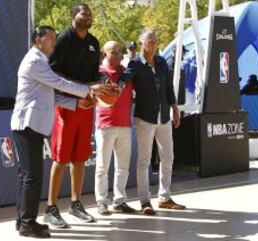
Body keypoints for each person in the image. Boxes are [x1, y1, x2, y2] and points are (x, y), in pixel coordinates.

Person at [11, 26, 108, 238]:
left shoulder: (41, 61)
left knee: (27, 176)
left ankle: (23, 221)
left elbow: (51, 95)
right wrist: (89, 90)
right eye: (51, 38)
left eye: (55, 37)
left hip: (30, 125)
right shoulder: (35, 60)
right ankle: (27, 222)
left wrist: (76, 103)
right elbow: (58, 83)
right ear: (38, 40)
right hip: (28, 124)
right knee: (32, 177)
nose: (54, 42)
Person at [43, 3, 101, 228]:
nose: (87, 15)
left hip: (87, 106)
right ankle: (51, 207)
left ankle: (76, 204)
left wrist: (103, 87)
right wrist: (80, 91)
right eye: (82, 12)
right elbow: (54, 74)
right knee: (61, 158)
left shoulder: (94, 42)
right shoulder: (63, 40)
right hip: (66, 106)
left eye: (89, 13)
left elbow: (95, 76)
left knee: (80, 157)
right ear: (72, 16)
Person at [117, 28, 186, 215]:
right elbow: (124, 79)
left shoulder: (162, 62)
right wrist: (115, 88)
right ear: (141, 44)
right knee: (144, 161)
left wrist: (175, 108)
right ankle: (145, 201)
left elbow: (168, 87)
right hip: (145, 119)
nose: (153, 44)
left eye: (155, 40)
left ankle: (164, 197)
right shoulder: (136, 64)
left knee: (168, 158)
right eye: (150, 41)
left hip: (164, 117)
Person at [94, 41, 136, 215]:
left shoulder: (126, 72)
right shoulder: (99, 72)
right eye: (113, 52)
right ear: (105, 54)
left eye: (119, 52)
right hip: (106, 125)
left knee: (123, 167)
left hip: (125, 124)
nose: (118, 55)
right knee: (103, 166)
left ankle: (120, 200)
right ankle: (102, 201)